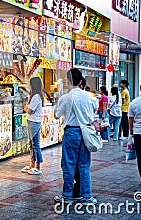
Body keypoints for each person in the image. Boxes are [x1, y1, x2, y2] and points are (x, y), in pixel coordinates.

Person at [53, 68, 98, 205]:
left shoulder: (65, 98)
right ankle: (87, 196)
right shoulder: (90, 96)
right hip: (85, 131)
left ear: (68, 81)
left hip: (71, 132)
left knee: (69, 164)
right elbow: (95, 109)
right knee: (84, 165)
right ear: (80, 81)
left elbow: (56, 115)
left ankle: (67, 195)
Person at [21, 77, 44, 175]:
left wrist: (26, 108)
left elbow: (30, 110)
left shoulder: (36, 97)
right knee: (32, 144)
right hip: (32, 121)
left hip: (34, 122)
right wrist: (27, 108)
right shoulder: (34, 96)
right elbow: (29, 109)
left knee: (35, 144)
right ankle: (32, 164)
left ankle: (38, 166)